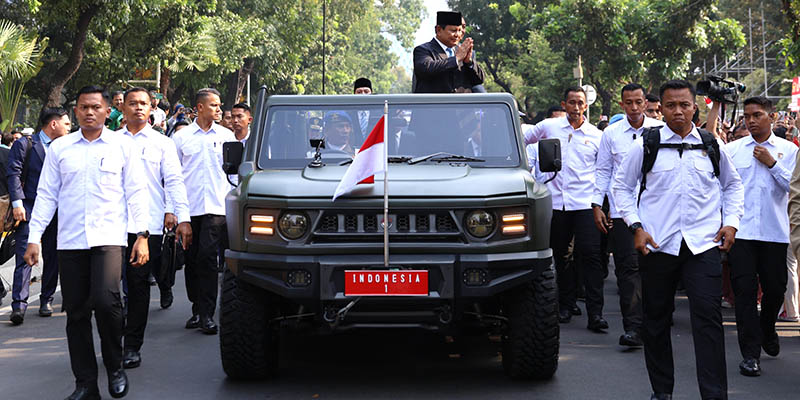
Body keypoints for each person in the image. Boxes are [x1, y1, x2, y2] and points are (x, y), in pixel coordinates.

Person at [612, 80, 744, 400]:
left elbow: (733, 186)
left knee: (708, 321)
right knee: (655, 321)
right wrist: (636, 226)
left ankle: (714, 394)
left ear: (694, 107)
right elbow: (621, 188)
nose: (678, 111)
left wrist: (732, 223)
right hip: (658, 245)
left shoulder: (711, 144)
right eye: (670, 105)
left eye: (684, 105)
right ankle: (662, 391)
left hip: (703, 245)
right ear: (661, 109)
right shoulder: (647, 145)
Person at [24, 85, 151, 400]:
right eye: (83, 107)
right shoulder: (60, 149)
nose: (89, 112)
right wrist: (34, 238)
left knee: (107, 303)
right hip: (70, 242)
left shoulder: (122, 147)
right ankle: (85, 383)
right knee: (77, 312)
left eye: (96, 107)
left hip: (108, 238)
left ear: (108, 111)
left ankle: (115, 365)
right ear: (75, 112)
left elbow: (136, 192)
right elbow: (47, 196)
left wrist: (142, 236)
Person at [522, 86, 608, 332]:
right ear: (564, 104)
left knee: (590, 256)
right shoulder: (549, 127)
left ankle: (596, 314)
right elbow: (521, 140)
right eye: (571, 102)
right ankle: (565, 305)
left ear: (586, 106)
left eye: (580, 103)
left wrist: (601, 204)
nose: (576, 107)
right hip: (556, 202)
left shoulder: (597, 135)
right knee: (560, 257)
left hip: (585, 204)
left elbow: (603, 171)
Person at [118, 87, 192, 370]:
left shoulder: (163, 144)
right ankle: (115, 336)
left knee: (137, 286)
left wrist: (179, 215)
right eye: (132, 103)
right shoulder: (110, 142)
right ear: (122, 107)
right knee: (108, 290)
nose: (138, 108)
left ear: (152, 109)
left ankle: (132, 345)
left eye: (143, 104)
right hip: (111, 225)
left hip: (148, 227)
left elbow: (174, 181)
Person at [725, 96, 798, 377]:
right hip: (741, 232)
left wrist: (772, 164)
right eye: (747, 116)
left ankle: (768, 327)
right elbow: (725, 188)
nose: (751, 120)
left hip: (774, 232)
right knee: (743, 294)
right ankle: (750, 354)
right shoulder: (733, 150)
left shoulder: (788, 150)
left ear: (771, 117)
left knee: (776, 289)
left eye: (757, 115)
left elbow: (794, 189)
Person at [592, 83, 662, 348]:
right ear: (622, 105)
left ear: (645, 103)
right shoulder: (611, 134)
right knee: (627, 269)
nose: (633, 108)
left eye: (638, 102)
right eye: (628, 103)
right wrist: (597, 204)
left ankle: (655, 322)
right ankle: (633, 327)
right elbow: (603, 171)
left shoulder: (660, 130)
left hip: (655, 210)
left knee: (655, 268)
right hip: (622, 211)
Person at [172, 88, 235, 335]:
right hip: (189, 208)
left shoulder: (227, 136)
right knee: (191, 260)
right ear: (199, 107)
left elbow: (234, 174)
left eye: (219, 105)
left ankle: (208, 314)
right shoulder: (182, 137)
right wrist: (174, 211)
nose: (219, 110)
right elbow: (173, 176)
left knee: (208, 258)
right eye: (214, 106)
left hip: (217, 207)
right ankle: (197, 308)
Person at [7, 107, 71, 325]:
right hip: (30, 207)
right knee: (25, 254)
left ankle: (46, 299)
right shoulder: (25, 144)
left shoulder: (66, 147)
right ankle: (19, 305)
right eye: (66, 123)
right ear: (54, 124)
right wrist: (17, 203)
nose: (69, 127)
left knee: (53, 254)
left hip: (57, 209)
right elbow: (13, 173)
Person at [412, 11, 485, 93]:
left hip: (463, 105)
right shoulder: (423, 50)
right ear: (439, 30)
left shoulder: (462, 51)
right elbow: (426, 69)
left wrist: (469, 62)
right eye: (453, 31)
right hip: (436, 104)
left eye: (460, 30)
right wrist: (456, 59)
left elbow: (479, 80)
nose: (457, 35)